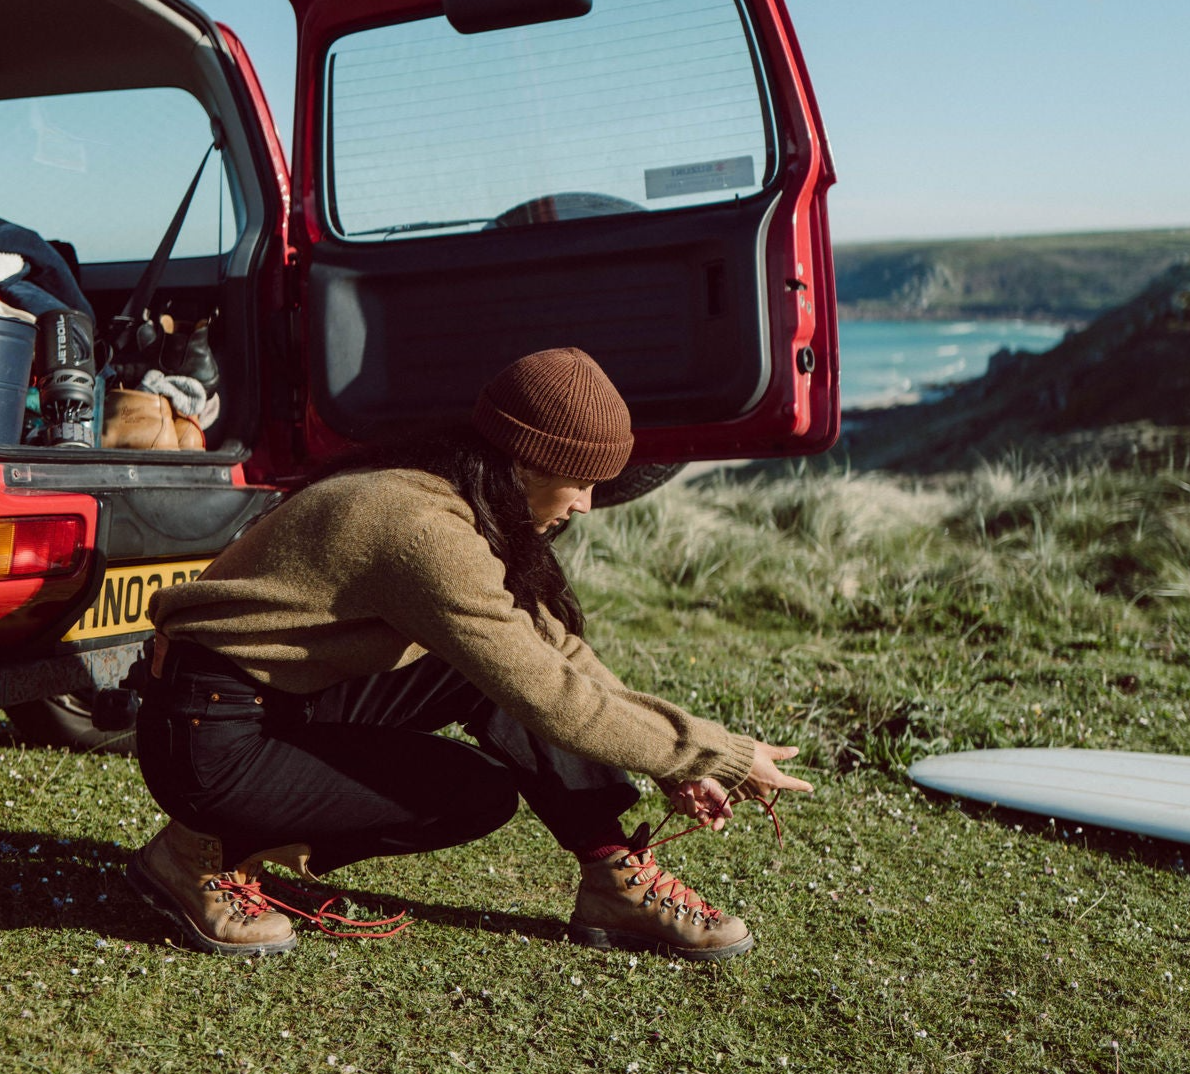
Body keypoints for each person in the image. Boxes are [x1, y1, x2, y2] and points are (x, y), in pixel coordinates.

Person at [127, 347, 812, 960]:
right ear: (527, 460)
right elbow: (551, 694)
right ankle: (197, 851)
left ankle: (611, 875)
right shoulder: (424, 529)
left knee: (494, 671)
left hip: (276, 696)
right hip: (208, 737)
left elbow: (553, 648)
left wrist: (676, 759)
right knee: (472, 794)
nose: (586, 505)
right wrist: (709, 751)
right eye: (580, 481)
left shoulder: (455, 488)